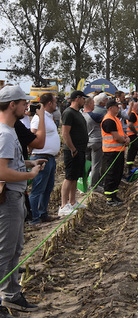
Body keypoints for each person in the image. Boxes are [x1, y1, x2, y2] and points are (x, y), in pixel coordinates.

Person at [0, 85, 45, 313]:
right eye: (23, 103)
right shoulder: (5, 134)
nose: (27, 106)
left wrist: (29, 163)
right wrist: (31, 174)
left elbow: (9, 165)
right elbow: (2, 172)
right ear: (12, 105)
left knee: (14, 249)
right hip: (8, 199)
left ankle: (12, 294)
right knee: (4, 252)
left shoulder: (9, 132)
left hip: (14, 198)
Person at [28, 93, 60, 227]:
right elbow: (32, 135)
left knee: (48, 188)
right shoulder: (38, 118)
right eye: (55, 102)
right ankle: (33, 218)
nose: (56, 104)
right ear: (49, 104)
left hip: (49, 158)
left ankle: (42, 214)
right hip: (41, 157)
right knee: (37, 189)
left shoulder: (48, 117)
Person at [58, 91, 89, 216]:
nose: (84, 101)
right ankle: (63, 205)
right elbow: (65, 133)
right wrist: (72, 149)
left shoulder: (77, 113)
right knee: (69, 177)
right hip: (72, 151)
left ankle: (72, 201)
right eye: (83, 99)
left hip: (80, 150)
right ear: (77, 99)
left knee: (75, 176)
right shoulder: (68, 113)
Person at [101, 100, 129, 206]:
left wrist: (127, 139)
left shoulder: (116, 119)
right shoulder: (108, 120)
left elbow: (121, 133)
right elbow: (116, 137)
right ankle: (109, 198)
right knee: (111, 174)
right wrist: (125, 141)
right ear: (110, 108)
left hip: (118, 151)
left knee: (117, 174)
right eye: (116, 107)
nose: (118, 108)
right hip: (111, 152)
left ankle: (114, 195)